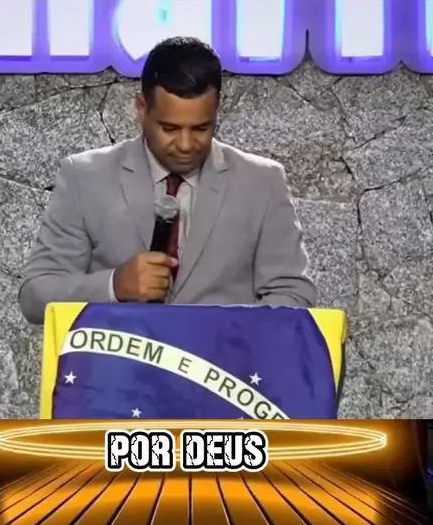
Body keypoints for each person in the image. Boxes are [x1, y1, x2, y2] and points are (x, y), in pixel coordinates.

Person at [19, 37, 317, 324]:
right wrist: (113, 286)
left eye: (200, 128)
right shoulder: (85, 177)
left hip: (224, 359)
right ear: (141, 108)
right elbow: (35, 296)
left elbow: (294, 295)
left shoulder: (262, 183)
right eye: (170, 128)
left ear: (217, 108)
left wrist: (227, 336)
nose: (186, 145)